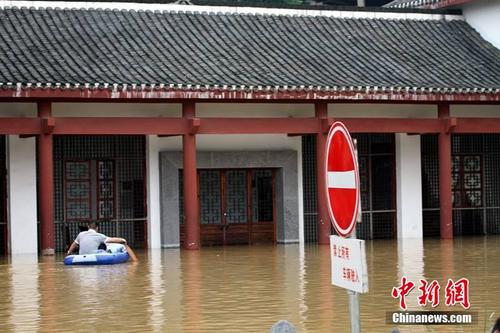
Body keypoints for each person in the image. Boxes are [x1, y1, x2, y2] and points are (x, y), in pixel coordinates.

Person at [67, 221, 137, 262]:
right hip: (95, 256)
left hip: (81, 255)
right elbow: (112, 240)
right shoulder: (99, 235)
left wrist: (69, 253)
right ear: (97, 228)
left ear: (88, 226)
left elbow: (74, 245)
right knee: (105, 247)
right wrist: (123, 240)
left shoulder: (80, 234)